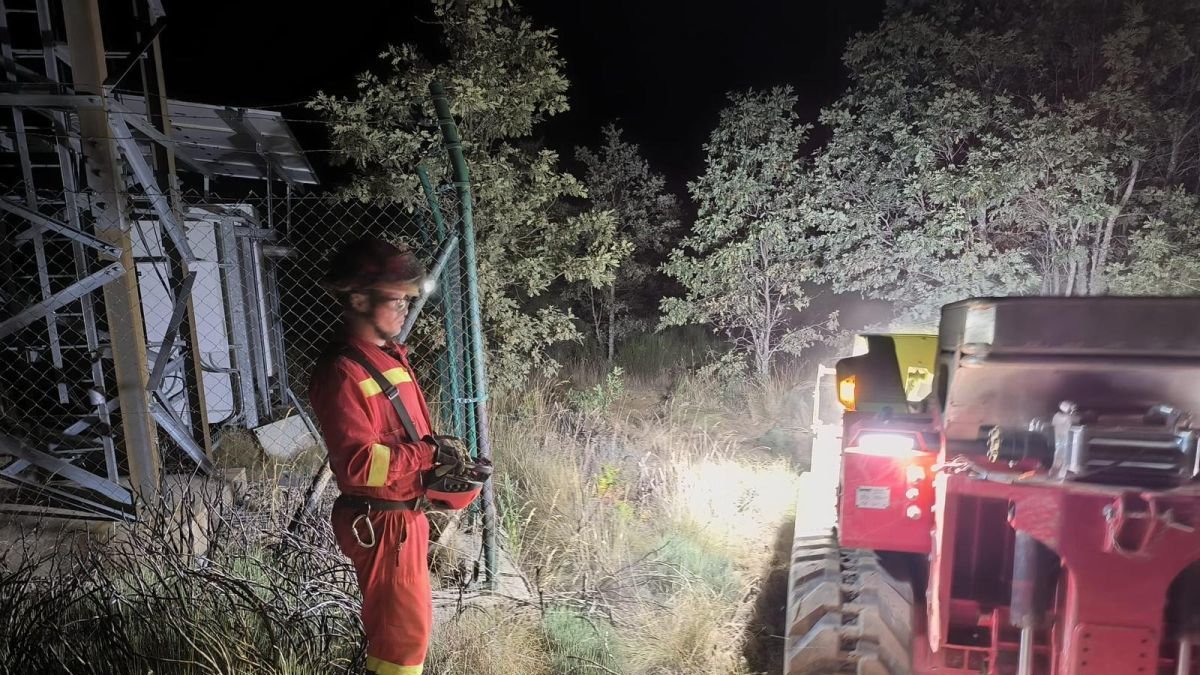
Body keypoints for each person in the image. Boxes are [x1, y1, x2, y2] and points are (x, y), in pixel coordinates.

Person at [307, 235, 470, 675]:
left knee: (405, 631)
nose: (403, 309)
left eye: (406, 300)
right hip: (382, 523)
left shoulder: (385, 356)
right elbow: (360, 464)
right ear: (359, 299)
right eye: (395, 300)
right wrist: (424, 454)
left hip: (402, 517)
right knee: (400, 641)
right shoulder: (342, 371)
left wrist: (437, 463)